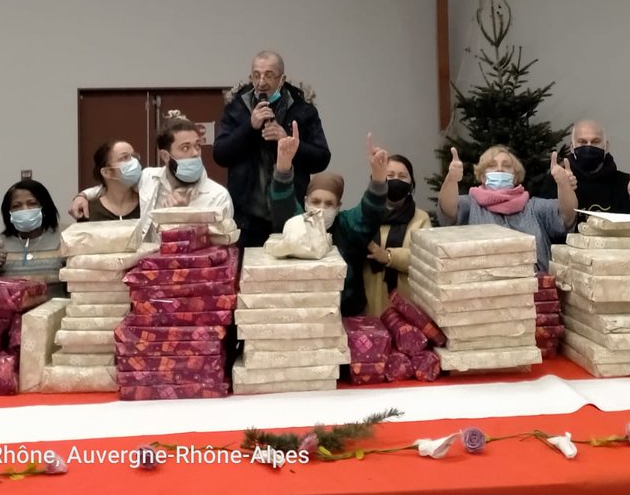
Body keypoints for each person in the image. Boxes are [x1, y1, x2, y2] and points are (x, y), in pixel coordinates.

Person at [214, 50, 331, 249]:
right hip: (246, 218)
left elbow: (322, 158)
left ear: (282, 79)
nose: (261, 82)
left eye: (269, 75)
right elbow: (220, 155)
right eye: (256, 75)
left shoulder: (303, 110)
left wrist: (288, 141)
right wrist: (249, 127)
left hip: (291, 214)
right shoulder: (236, 109)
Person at [269, 126, 390, 317]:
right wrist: (283, 168)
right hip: (302, 312)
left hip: (347, 313)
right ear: (306, 202)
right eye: (316, 201)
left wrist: (378, 179)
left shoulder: (347, 225)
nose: (321, 208)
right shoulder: (297, 224)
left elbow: (369, 214)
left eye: (329, 204)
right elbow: (282, 204)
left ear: (338, 206)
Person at [71, 115, 233, 240]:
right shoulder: (149, 179)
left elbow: (220, 250)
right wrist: (83, 195)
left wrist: (181, 216)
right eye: (185, 148)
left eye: (197, 145)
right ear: (165, 156)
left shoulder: (218, 196)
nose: (195, 153)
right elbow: (117, 185)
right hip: (151, 270)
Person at [438, 146, 578, 272]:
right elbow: (448, 209)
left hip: (535, 286)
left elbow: (567, 215)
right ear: (482, 176)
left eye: (507, 166)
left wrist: (563, 184)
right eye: (492, 165)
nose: (500, 169)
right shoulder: (470, 205)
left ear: (515, 176)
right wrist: (451, 179)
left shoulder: (533, 207)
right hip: (483, 287)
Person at [536, 120, 630, 221]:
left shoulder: (626, 184)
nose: (589, 146)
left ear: (606, 147)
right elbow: (544, 225)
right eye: (582, 142)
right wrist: (563, 188)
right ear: (572, 147)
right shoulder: (557, 181)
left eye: (595, 142)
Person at [363, 153, 431, 316]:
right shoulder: (365, 214)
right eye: (390, 175)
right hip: (368, 305)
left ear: (411, 184)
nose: (396, 180)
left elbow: (425, 259)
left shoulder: (420, 218)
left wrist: (389, 256)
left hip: (407, 308)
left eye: (402, 176)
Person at [0, 180, 66, 298]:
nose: (24, 210)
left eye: (32, 203)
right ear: (9, 213)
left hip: (55, 309)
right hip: (11, 309)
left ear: (44, 207)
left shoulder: (63, 240)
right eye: (16, 206)